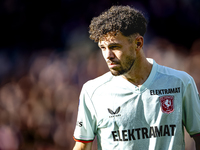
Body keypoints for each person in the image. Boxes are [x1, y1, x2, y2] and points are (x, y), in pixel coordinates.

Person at [72, 5, 200, 150]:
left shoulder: (180, 82)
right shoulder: (93, 91)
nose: (108, 56)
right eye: (103, 48)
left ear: (138, 43)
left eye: (115, 47)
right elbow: (82, 146)